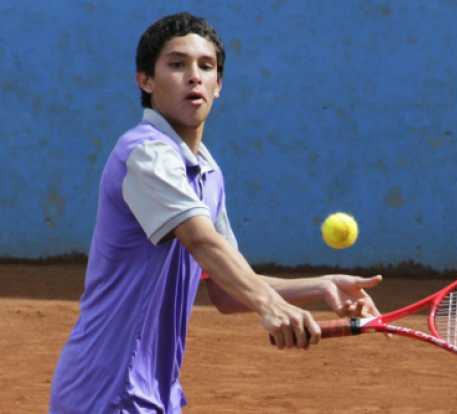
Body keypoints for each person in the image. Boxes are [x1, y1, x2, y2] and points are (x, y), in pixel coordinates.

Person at [49, 12, 383, 413]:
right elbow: (201, 239)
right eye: (176, 64)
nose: (194, 76)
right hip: (106, 391)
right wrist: (271, 307)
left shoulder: (206, 170)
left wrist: (320, 284)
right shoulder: (146, 153)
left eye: (206, 67)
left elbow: (225, 289)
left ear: (218, 86)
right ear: (146, 81)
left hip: (155, 392)